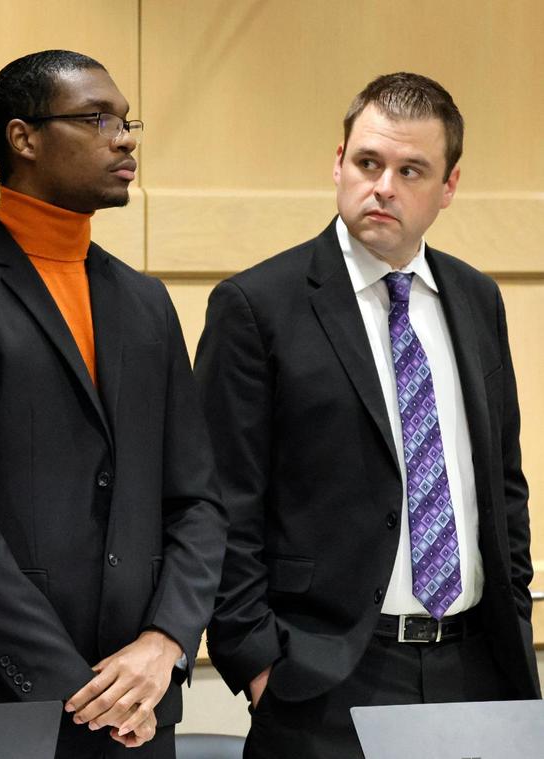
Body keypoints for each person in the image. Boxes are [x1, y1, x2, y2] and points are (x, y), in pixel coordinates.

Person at [0, 50, 226, 758]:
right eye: (97, 118)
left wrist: (164, 644)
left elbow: (197, 501)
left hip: (142, 702)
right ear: (24, 138)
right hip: (8, 706)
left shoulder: (147, 303)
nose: (125, 137)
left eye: (127, 121)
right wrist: (79, 689)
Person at [195, 72, 539, 759]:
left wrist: (517, 604)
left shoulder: (476, 299)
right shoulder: (259, 306)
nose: (383, 186)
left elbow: (502, 481)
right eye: (368, 162)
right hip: (327, 677)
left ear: (449, 187)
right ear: (338, 163)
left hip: (475, 668)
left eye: (411, 170)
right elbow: (220, 505)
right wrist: (261, 664)